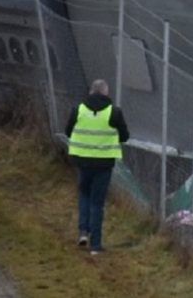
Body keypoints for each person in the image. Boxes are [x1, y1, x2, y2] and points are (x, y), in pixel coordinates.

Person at [64, 79, 130, 255]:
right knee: (97, 202)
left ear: (91, 92)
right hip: (103, 164)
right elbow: (125, 136)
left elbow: (68, 131)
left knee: (84, 195)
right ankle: (95, 245)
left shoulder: (78, 110)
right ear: (105, 92)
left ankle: (83, 232)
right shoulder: (114, 113)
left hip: (82, 161)